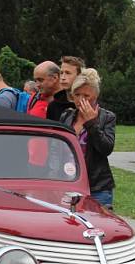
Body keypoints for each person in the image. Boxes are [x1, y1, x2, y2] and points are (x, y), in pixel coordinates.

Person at [59, 68, 116, 209]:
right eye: (77, 95)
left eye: (86, 96)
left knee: (96, 226)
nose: (81, 100)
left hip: (97, 186)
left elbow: (106, 148)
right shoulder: (67, 116)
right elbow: (57, 149)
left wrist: (91, 123)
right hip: (69, 183)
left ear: (95, 96)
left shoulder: (106, 117)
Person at [49, 56, 85, 121]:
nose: (63, 77)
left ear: (79, 75)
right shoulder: (53, 106)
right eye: (61, 73)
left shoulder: (88, 104)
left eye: (68, 73)